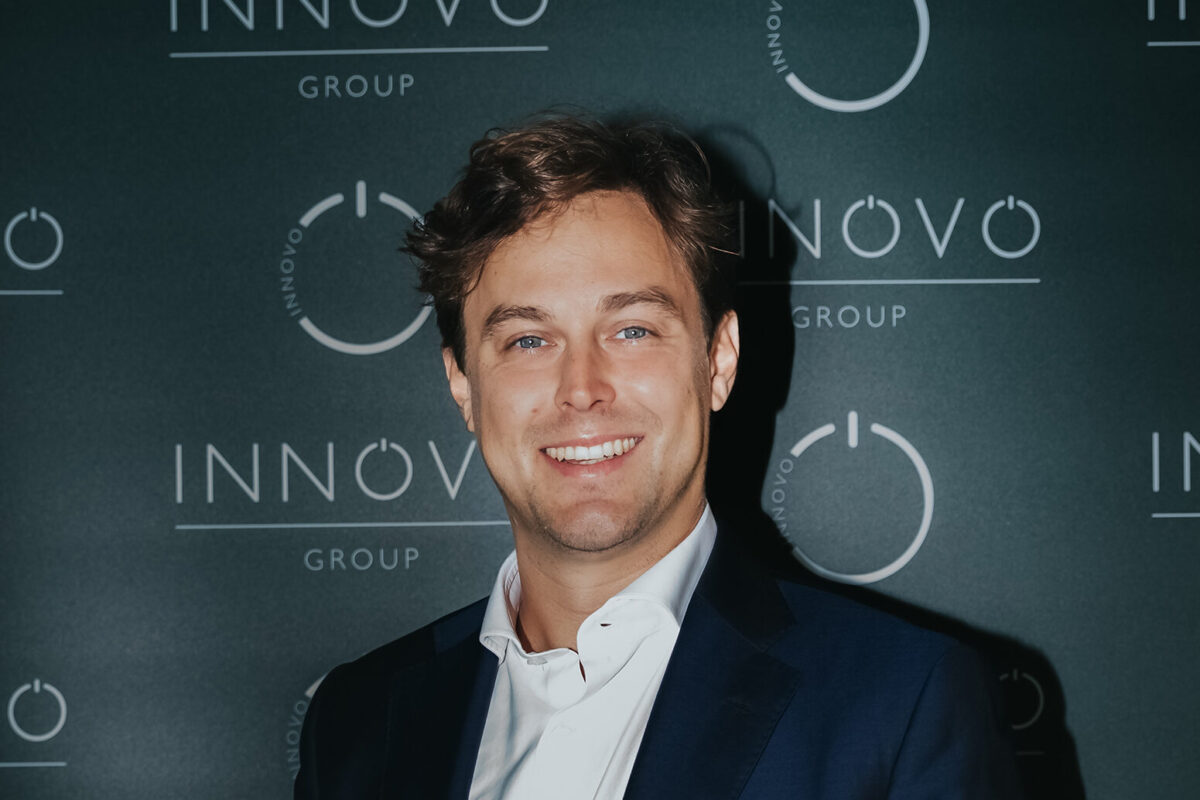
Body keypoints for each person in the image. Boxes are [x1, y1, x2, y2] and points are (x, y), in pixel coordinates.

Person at [294, 115, 1022, 799]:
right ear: (463, 386)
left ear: (719, 360)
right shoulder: (358, 722)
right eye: (528, 340)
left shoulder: (900, 702)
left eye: (633, 330)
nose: (582, 388)